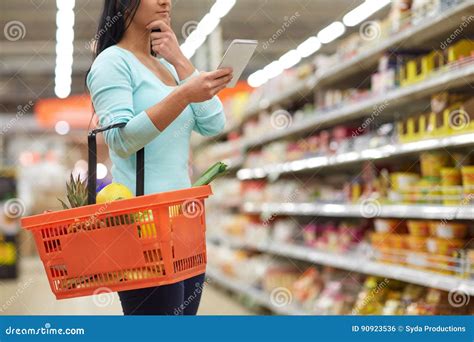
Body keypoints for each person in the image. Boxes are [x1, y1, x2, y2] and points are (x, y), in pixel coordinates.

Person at [85, 0, 233, 315]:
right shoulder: (112, 62)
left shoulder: (165, 66)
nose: (166, 1)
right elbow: (120, 140)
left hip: (185, 226)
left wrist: (179, 60)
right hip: (144, 229)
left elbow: (214, 123)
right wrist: (183, 95)